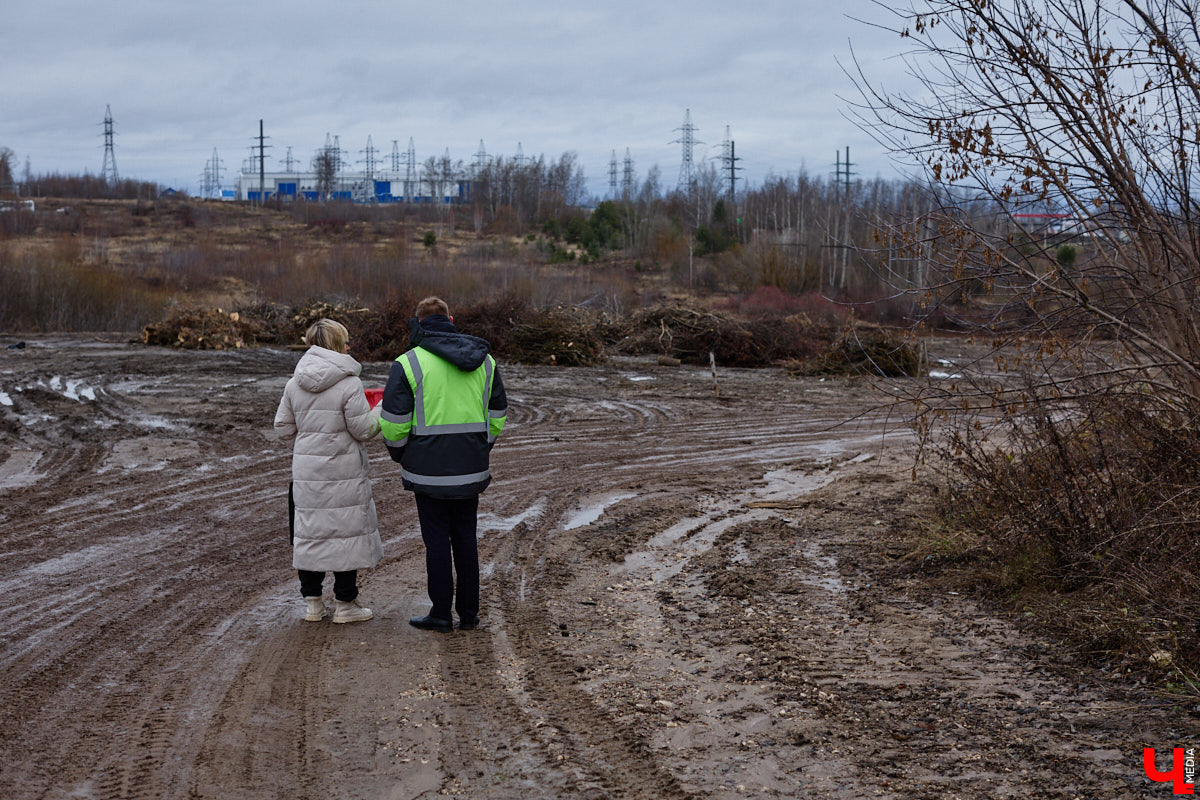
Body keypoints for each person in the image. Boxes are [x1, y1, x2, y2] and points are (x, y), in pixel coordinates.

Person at [380, 297, 507, 633]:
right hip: (470, 467)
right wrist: (481, 447)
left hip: (427, 472)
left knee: (437, 542)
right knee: (465, 539)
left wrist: (402, 455)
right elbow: (498, 415)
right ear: (450, 319)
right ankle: (468, 614)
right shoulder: (486, 362)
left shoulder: (408, 363)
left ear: (418, 323)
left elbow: (393, 423)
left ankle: (440, 613)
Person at [275, 318, 383, 624]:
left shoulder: (294, 383)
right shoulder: (349, 383)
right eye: (346, 341)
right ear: (338, 345)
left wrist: (309, 434)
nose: (349, 346)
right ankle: (346, 605)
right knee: (343, 534)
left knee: (310, 534)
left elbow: (282, 428)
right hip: (343, 471)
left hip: (307, 472)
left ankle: (313, 604)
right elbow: (362, 429)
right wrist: (379, 409)